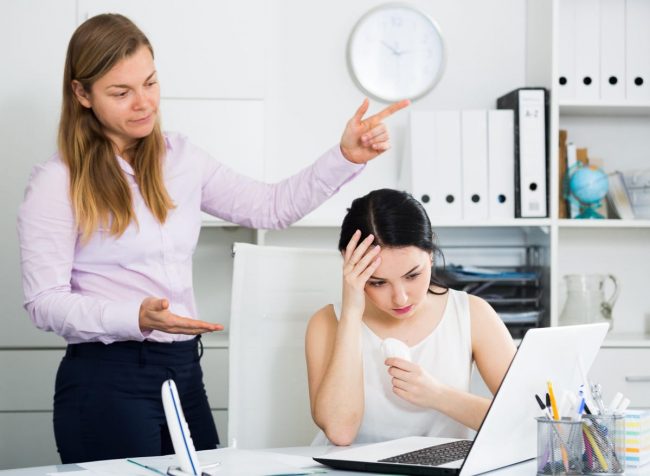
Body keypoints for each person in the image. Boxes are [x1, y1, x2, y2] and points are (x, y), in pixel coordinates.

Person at [17, 14, 408, 463]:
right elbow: (44, 301)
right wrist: (134, 316)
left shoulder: (180, 158)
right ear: (82, 94)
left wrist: (345, 157)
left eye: (150, 83)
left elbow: (270, 207)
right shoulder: (56, 183)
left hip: (183, 371)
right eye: (121, 93)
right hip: (107, 378)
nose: (144, 103)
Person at [305, 189, 517, 446]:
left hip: (443, 465)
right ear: (350, 265)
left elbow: (525, 417)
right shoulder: (327, 323)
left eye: (413, 275)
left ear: (430, 254)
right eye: (378, 282)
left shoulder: (472, 314)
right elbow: (340, 432)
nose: (401, 298)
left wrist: (438, 395)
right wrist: (351, 313)